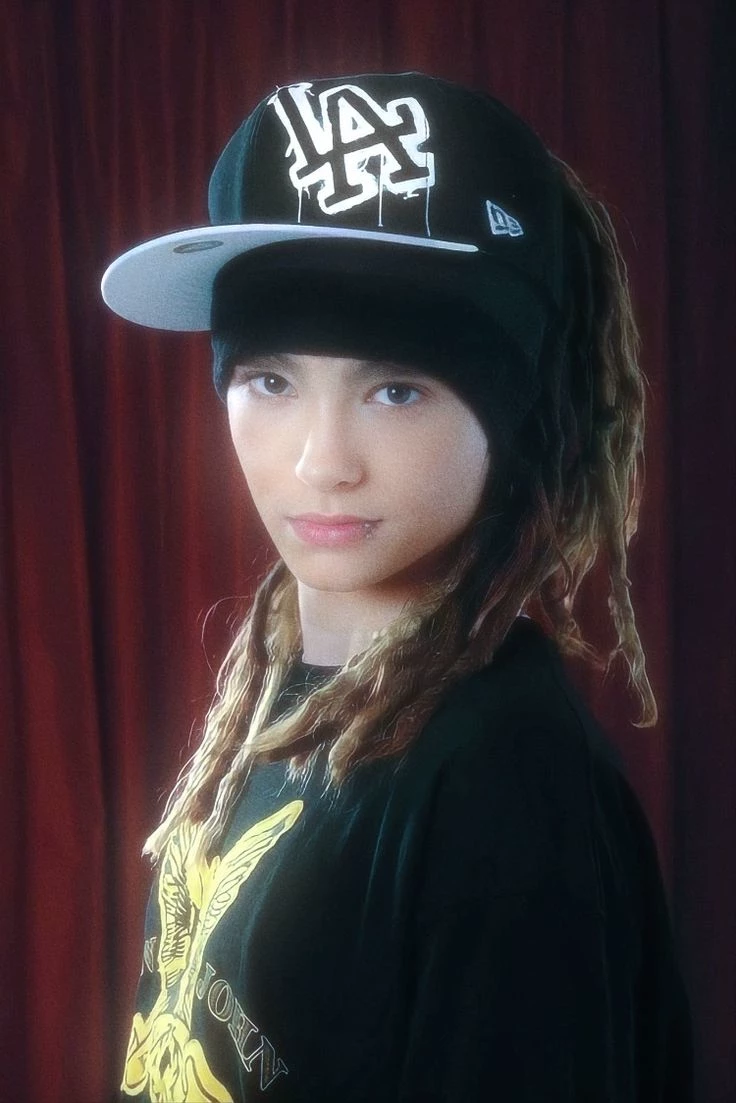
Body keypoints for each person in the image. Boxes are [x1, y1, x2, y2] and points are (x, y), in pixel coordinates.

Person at [102, 72, 693, 1102]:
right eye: (272, 379)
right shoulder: (280, 698)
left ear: (509, 403)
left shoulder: (505, 784)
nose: (322, 460)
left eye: (396, 388)